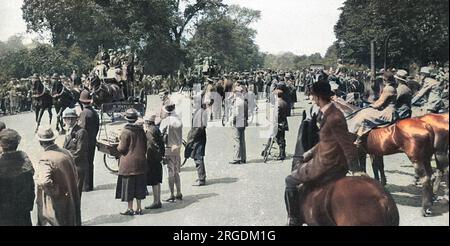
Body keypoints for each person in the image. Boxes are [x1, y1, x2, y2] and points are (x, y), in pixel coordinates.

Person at [285, 81, 363, 226]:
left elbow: (346, 144)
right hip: (327, 158)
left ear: (317, 97)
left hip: (328, 164)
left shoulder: (334, 117)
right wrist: (308, 153)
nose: (311, 97)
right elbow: (327, 141)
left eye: (312, 95)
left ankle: (294, 219)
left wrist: (356, 168)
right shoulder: (327, 112)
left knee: (290, 181)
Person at [35, 126, 81, 226]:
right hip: (70, 196)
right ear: (53, 139)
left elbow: (44, 181)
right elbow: (75, 173)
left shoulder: (45, 158)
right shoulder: (66, 152)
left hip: (56, 202)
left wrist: (54, 191)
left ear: (41, 143)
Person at [348, 71, 398, 146]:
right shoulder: (392, 87)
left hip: (388, 113)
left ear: (385, 80)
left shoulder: (388, 88)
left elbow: (380, 103)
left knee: (364, 115)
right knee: (365, 111)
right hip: (388, 110)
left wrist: (371, 106)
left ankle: (360, 137)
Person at [115, 109, 147, 215]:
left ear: (126, 118)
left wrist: (118, 142)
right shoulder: (141, 130)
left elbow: (122, 149)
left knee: (129, 187)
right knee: (139, 186)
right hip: (141, 162)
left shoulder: (125, 131)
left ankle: (130, 208)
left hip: (128, 164)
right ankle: (139, 208)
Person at [0, 129, 35, 226]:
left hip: (4, 215)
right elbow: (31, 187)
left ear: (2, 145)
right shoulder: (25, 159)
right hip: (23, 212)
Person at [62, 108, 89, 197]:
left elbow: (80, 151)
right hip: (70, 167)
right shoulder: (68, 131)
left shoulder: (81, 132)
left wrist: (66, 160)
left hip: (78, 166)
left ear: (76, 119)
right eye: (68, 118)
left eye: (72, 118)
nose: (70, 121)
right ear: (64, 120)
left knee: (76, 195)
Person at [160, 103, 183, 202]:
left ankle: (171, 194)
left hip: (168, 148)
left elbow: (161, 134)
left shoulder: (165, 121)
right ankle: (179, 192)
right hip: (177, 148)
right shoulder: (178, 119)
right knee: (176, 172)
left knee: (170, 172)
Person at [78, 90, 100, 191]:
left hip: (85, 143)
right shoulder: (94, 113)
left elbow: (81, 130)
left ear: (82, 102)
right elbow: (97, 127)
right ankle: (90, 184)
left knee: (84, 163)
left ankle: (85, 186)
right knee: (90, 163)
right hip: (92, 140)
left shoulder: (83, 113)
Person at [185, 95, 208, 186]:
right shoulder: (200, 111)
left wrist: (191, 138)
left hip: (198, 138)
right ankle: (201, 176)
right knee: (198, 157)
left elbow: (199, 128)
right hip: (200, 137)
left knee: (198, 157)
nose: (192, 103)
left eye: (194, 102)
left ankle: (201, 179)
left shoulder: (200, 112)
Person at [143, 113, 165, 209]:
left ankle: (156, 202)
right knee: (157, 181)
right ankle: (158, 200)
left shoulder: (149, 131)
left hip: (152, 159)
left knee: (154, 181)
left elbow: (152, 145)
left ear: (147, 122)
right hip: (157, 158)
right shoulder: (156, 129)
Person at [229, 81, 248, 164]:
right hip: (243, 121)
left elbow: (235, 114)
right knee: (242, 139)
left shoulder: (237, 102)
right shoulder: (244, 101)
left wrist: (233, 120)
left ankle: (237, 158)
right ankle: (243, 157)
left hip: (238, 122)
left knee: (237, 140)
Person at [273, 84, 290, 161]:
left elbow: (276, 115)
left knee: (278, 138)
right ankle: (282, 153)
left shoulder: (277, 103)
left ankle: (282, 153)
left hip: (278, 123)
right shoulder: (284, 102)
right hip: (284, 121)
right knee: (282, 138)